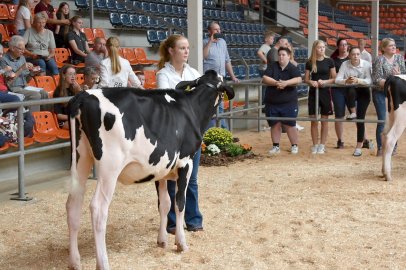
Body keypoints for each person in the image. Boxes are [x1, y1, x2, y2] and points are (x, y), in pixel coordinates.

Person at [155, 34, 203, 234]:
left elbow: (199, 102)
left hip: (191, 134)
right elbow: (168, 102)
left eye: (187, 48)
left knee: (191, 178)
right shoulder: (163, 75)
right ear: (171, 51)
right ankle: (172, 222)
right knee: (169, 177)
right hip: (169, 134)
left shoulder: (194, 73)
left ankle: (193, 220)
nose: (186, 51)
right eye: (182, 48)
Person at [262, 47, 302, 154]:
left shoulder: (292, 67)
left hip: (288, 102)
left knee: (290, 124)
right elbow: (265, 78)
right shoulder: (272, 65)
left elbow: (298, 79)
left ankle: (294, 145)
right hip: (272, 102)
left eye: (283, 55)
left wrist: (286, 83)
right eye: (279, 55)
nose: (281, 57)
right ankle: (276, 146)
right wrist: (276, 83)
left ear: (289, 56)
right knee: (274, 124)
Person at [372, 38, 406, 156]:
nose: (394, 47)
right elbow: (376, 79)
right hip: (381, 93)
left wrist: (397, 77)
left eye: (394, 45)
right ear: (383, 48)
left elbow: (404, 75)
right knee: (382, 119)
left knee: (395, 120)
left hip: (397, 95)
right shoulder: (379, 60)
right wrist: (391, 80)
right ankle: (381, 148)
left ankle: (392, 147)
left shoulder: (399, 58)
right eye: (391, 45)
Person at [336, 47, 372, 157]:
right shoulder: (345, 64)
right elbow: (337, 79)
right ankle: (353, 112)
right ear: (349, 55)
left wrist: (358, 80)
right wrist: (346, 81)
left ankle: (359, 146)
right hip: (351, 92)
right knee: (350, 88)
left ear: (360, 55)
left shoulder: (366, 64)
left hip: (364, 92)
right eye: (353, 54)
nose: (355, 56)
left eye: (357, 54)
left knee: (360, 119)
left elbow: (370, 80)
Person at [203, 21, 238, 129]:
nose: (218, 31)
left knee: (221, 106)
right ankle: (211, 132)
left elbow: (227, 60)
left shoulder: (223, 42)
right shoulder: (204, 42)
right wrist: (210, 42)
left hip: (221, 78)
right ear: (210, 31)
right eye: (215, 30)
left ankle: (224, 132)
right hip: (209, 79)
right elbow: (203, 56)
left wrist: (233, 76)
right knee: (211, 107)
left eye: (219, 29)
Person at [0, 35, 48, 112]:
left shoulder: (22, 57)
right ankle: (34, 120)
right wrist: (21, 68)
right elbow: (8, 82)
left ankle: (45, 117)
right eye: (21, 49)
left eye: (24, 48)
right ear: (12, 48)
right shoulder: (3, 60)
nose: (23, 51)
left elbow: (26, 80)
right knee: (35, 95)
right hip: (13, 88)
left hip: (24, 86)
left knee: (44, 93)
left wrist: (32, 73)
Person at [304, 40, 336, 154]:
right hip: (313, 93)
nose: (322, 49)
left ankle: (322, 144)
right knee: (313, 120)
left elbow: (334, 78)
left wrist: (325, 81)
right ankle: (315, 145)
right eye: (319, 47)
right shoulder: (309, 62)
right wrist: (311, 82)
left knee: (324, 120)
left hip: (325, 92)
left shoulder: (329, 61)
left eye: (323, 47)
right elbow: (306, 79)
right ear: (315, 49)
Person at [330, 38, 349, 149]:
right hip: (337, 90)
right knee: (339, 116)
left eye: (345, 45)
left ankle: (363, 139)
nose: (344, 47)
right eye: (341, 45)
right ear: (338, 46)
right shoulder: (333, 60)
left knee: (357, 114)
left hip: (352, 89)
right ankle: (340, 140)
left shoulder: (352, 57)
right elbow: (333, 77)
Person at [53, 65, 81, 129]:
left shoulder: (75, 88)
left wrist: (79, 91)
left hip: (75, 118)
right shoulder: (58, 92)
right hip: (65, 121)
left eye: (74, 74)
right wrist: (75, 117)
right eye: (70, 74)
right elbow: (59, 115)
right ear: (64, 76)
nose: (73, 76)